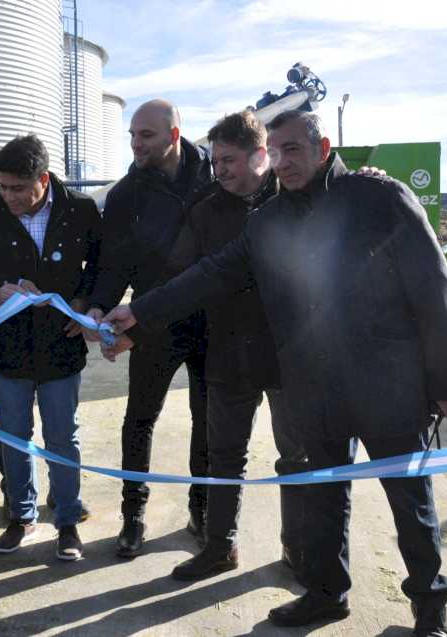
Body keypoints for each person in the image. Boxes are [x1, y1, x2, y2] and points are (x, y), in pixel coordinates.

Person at [104, 110, 447, 636]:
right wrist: (141, 312)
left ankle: (430, 612)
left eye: (294, 149)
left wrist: (445, 382)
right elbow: (212, 272)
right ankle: (325, 594)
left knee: (410, 503)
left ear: (323, 146)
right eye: (276, 151)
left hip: (389, 385)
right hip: (315, 387)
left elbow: (434, 286)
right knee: (322, 499)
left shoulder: (378, 198)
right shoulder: (268, 220)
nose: (284, 162)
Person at [153, 111, 308, 581]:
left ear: (262, 155)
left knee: (296, 459)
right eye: (216, 160)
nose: (219, 169)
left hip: (289, 357)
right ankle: (220, 547)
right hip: (227, 354)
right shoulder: (204, 212)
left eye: (229, 160)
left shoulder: (298, 199)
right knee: (224, 458)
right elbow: (182, 280)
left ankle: (298, 549)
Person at [0, 134, 101, 560]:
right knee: (12, 436)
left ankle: (68, 522)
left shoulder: (80, 210)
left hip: (61, 343)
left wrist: (84, 304)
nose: (8, 196)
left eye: (18, 188)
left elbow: (103, 264)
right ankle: (20, 517)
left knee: (62, 435)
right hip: (6, 346)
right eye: (2, 186)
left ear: (44, 178)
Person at [85, 99, 213, 558]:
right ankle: (133, 515)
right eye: (133, 136)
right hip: (151, 323)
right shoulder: (126, 195)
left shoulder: (214, 178)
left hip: (211, 321)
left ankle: (203, 509)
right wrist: (100, 307)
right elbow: (113, 263)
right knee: (139, 418)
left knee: (209, 421)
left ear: (174, 135)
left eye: (147, 136)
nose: (136, 144)